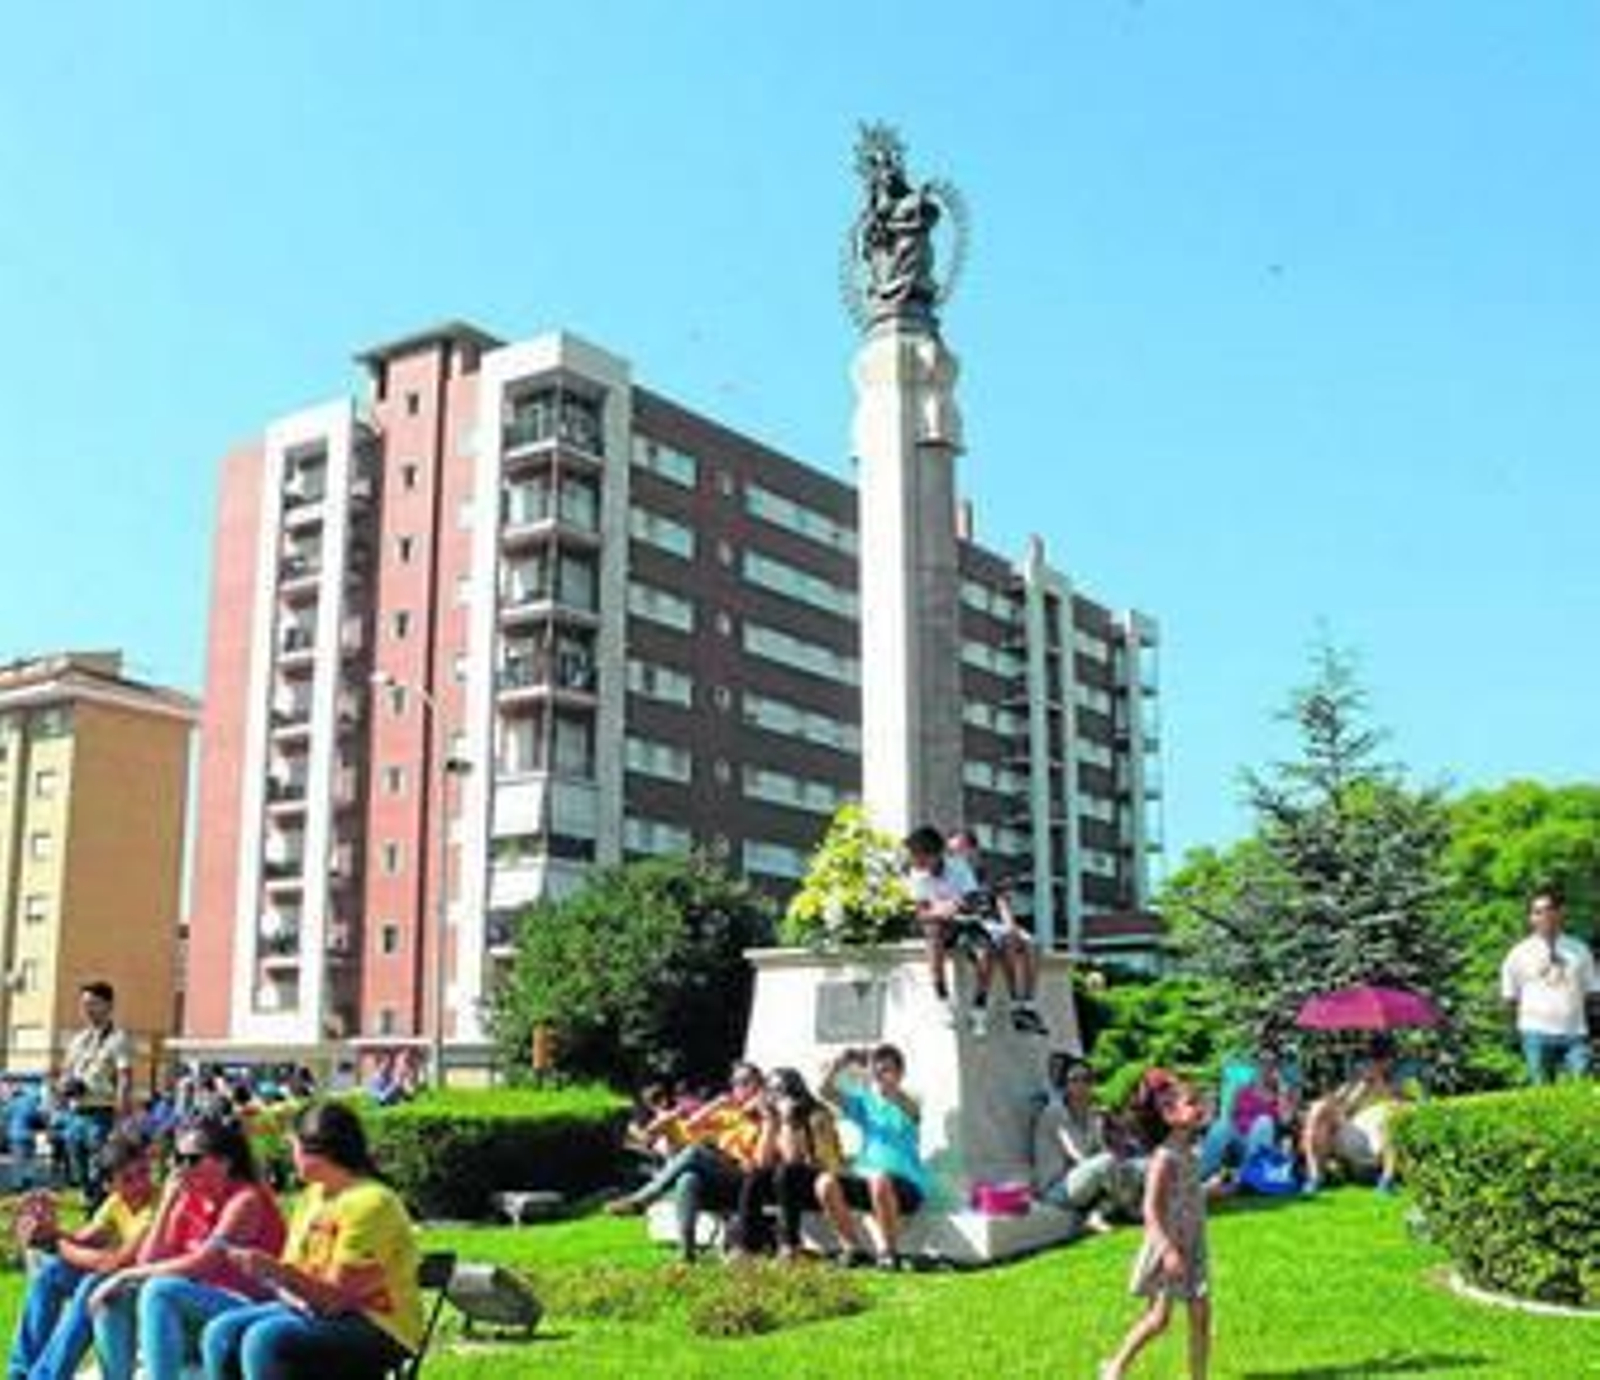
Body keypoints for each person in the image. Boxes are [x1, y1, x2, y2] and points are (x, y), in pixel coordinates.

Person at [200, 1101, 423, 1380]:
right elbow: (297, 1275)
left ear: (317, 1150)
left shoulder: (372, 1203)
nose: (290, 1154)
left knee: (265, 1339)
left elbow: (335, 1301)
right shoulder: (311, 1197)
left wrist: (277, 1272)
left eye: (293, 1146)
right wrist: (273, 1276)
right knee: (220, 1333)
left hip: (377, 1323)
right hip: (315, 1311)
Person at [88, 1114, 286, 1380]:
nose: (181, 1168)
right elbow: (147, 1261)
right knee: (118, 1294)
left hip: (246, 1310)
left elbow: (204, 1262)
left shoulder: (245, 1200)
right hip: (200, 1308)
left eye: (191, 1160)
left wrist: (124, 1274)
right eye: (176, 1159)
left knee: (159, 1289)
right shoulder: (188, 1198)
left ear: (224, 1162)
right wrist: (167, 1204)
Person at [8, 1131, 157, 1380]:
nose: (141, 1183)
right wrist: (46, 1231)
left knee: (92, 1282)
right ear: (111, 1186)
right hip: (123, 1281)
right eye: (128, 1179)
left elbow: (114, 1262)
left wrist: (55, 1242)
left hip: (149, 1285)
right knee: (51, 1272)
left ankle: (45, 1377)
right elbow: (82, 1240)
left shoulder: (157, 1205)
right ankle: (20, 1372)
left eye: (143, 1172)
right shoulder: (116, 1202)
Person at [1101, 1076, 1212, 1380]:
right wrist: (1167, 1251)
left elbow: (1188, 1194)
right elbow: (1150, 1209)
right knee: (1159, 1320)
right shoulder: (1164, 1158)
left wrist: (1211, 1190)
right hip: (1169, 1248)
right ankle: (1116, 1366)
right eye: (1191, 1103)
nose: (1199, 1107)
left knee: (1201, 1316)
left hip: (1194, 1244)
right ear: (1170, 1115)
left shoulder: (1191, 1152)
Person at [603, 1062, 766, 1261]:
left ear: (759, 1085)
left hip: (749, 1179)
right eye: (735, 1083)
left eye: (744, 1083)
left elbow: (762, 1159)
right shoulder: (730, 1113)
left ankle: (644, 1198)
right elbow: (692, 1123)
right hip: (724, 1176)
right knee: (688, 1178)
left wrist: (762, 1110)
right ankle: (687, 1252)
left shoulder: (766, 1115)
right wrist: (717, 1104)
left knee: (695, 1152)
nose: (737, 1089)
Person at [815, 1045, 928, 1271]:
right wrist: (840, 1063)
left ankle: (889, 1253)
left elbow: (913, 1112)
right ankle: (852, 1248)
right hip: (870, 1182)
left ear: (900, 1073)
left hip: (907, 1187)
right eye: (878, 1070)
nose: (881, 1075)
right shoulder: (865, 1103)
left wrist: (890, 1089)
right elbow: (824, 1091)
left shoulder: (911, 1100)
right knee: (825, 1182)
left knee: (879, 1179)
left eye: (887, 1069)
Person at [731, 1067, 844, 1260]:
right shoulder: (774, 1116)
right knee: (756, 1175)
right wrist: (769, 1122)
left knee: (787, 1172)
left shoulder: (817, 1114)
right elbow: (762, 1161)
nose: (772, 1096)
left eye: (778, 1090)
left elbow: (796, 1159)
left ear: (793, 1090)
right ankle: (746, 1247)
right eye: (770, 1090)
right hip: (786, 1182)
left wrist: (788, 1121)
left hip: (821, 1178)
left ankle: (790, 1247)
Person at [948, 830, 1048, 1036]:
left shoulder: (986, 874)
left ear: (973, 850)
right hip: (971, 925)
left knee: (1032, 944)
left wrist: (1011, 925)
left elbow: (1002, 902)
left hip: (994, 924)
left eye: (959, 850)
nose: (955, 855)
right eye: (952, 851)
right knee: (1005, 940)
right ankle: (1014, 1004)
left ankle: (1028, 1002)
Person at [906, 825, 998, 1036]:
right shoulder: (916, 875)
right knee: (933, 931)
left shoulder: (959, 867)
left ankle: (979, 1006)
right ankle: (942, 997)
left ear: (934, 855)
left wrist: (956, 905)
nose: (914, 862)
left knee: (986, 953)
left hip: (966, 922)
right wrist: (938, 912)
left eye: (918, 857)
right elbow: (920, 913)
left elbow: (974, 900)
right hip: (939, 925)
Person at [1500, 886, 1597, 1084]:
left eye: (1549, 909)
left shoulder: (1579, 950)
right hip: (1535, 1033)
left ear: (1561, 913)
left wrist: (1592, 1028)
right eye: (1537, 912)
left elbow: (1593, 992)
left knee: (1583, 1088)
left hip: (1575, 1034)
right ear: (1530, 918)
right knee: (1542, 1093)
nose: (1544, 916)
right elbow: (1509, 997)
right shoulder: (1518, 953)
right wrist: (1514, 1033)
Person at [1032, 1056, 1141, 1229]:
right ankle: (1130, 1209)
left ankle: (1096, 1215)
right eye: (1074, 1080)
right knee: (1109, 1163)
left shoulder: (1092, 1114)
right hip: (1057, 1188)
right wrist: (1112, 1167)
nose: (1081, 1085)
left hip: (1085, 1178)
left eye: (1087, 1079)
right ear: (1065, 1085)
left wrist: (1120, 1164)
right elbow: (1077, 1155)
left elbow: (1101, 1150)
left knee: (1132, 1167)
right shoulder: (1055, 1113)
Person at [56, 980, 135, 1205]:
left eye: (93, 1003)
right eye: (84, 1004)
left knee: (99, 1168)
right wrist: (63, 1088)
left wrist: (121, 1119)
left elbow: (124, 1078)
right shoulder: (78, 1039)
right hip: (75, 1113)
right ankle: (91, 1200)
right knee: (77, 1167)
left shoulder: (118, 1038)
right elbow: (65, 1071)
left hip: (102, 1113)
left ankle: (98, 1211)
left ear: (108, 1005)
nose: (86, 1009)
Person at [1300, 1037, 1404, 1194]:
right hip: (1352, 1134)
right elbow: (1337, 1110)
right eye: (1367, 1060)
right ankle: (1315, 1176)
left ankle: (1387, 1179)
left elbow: (1407, 1107)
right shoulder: (1352, 1084)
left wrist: (1381, 1088)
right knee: (1318, 1108)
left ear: (1387, 1062)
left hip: (1381, 1136)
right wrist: (1355, 1095)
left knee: (1392, 1111)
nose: (1369, 1065)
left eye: (1374, 1060)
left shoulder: (1398, 1084)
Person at [1198, 1050, 1298, 1183]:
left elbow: (1286, 1120)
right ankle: (1201, 1172)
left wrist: (1282, 1093)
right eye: (1261, 1063)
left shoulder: (1279, 1092)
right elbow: (1229, 1115)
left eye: (1270, 1064)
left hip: (1262, 1143)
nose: (1265, 1067)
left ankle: (1248, 1175)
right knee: (1221, 1125)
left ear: (1276, 1069)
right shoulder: (1242, 1088)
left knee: (1264, 1121)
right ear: (1256, 1066)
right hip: (1239, 1139)